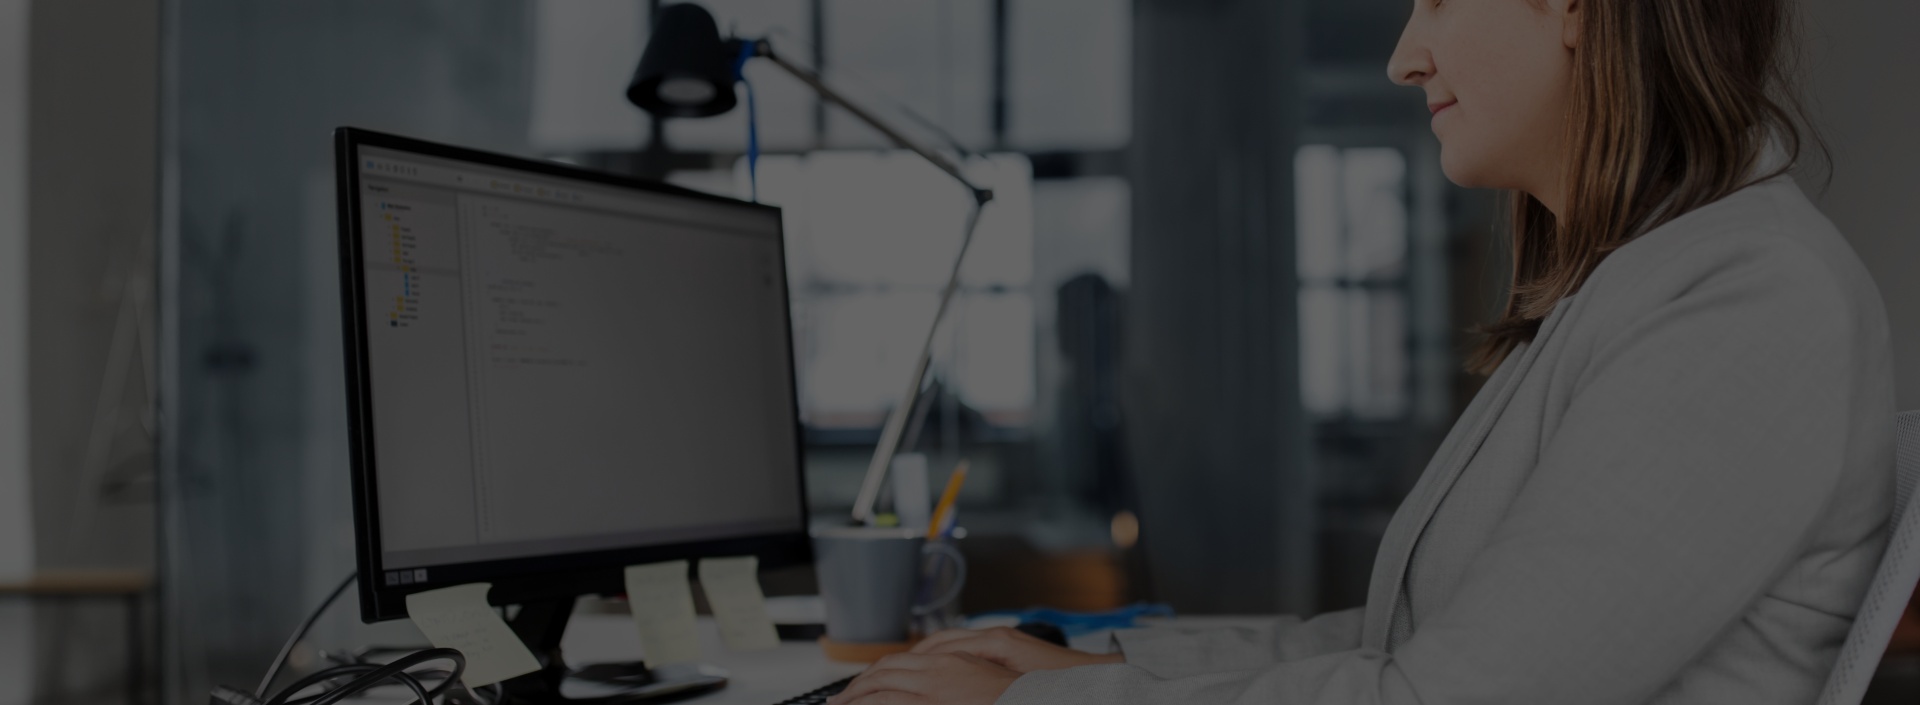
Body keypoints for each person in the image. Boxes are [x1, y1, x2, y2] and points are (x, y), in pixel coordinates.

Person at [827, 0, 1897, 703]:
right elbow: (1403, 640)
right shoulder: (1633, 286)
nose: (1402, 55)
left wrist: (1041, 703)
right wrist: (1087, 666)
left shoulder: (1746, 299)